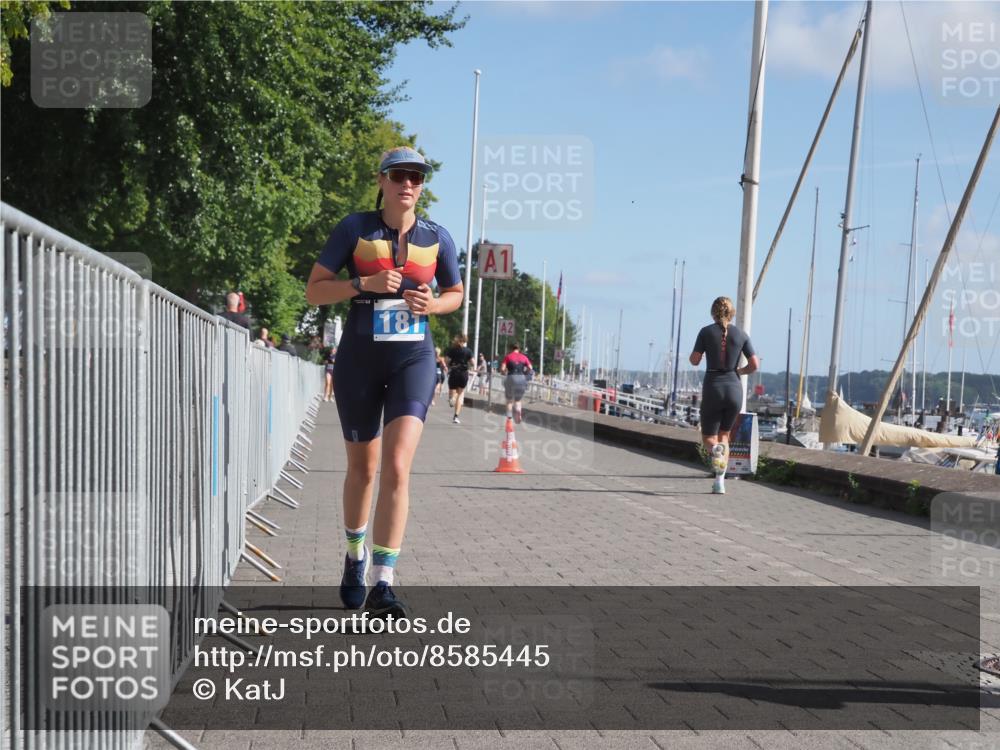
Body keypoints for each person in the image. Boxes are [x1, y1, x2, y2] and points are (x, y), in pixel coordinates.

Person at [305, 146, 463, 617]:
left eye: (416, 177)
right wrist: (362, 285)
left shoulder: (438, 237)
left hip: (413, 359)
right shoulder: (354, 228)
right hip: (359, 359)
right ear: (382, 180)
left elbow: (455, 293)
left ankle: (384, 582)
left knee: (397, 466)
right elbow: (314, 290)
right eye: (399, 175)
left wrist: (433, 306)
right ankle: (354, 556)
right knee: (365, 469)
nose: (408, 184)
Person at [689, 296, 759, 495]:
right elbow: (754, 364)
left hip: (713, 386)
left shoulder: (705, 332)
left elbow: (694, 360)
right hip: (734, 388)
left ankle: (715, 454)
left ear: (713, 312)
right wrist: (739, 371)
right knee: (725, 436)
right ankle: (720, 481)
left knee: (710, 438)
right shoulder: (741, 334)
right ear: (732, 312)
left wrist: (701, 353)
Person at [500, 343, 533, 424]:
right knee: (518, 400)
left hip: (511, 377)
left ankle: (509, 418)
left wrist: (504, 372)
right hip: (522, 378)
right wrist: (525, 373)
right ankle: (518, 411)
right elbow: (530, 368)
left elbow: (502, 368)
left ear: (512, 348)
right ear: (519, 349)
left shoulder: (508, 356)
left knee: (509, 400)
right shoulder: (524, 357)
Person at [445, 333, 473, 424]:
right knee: (460, 394)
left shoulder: (452, 350)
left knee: (452, 392)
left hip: (454, 372)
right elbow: (472, 363)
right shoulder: (468, 351)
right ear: (465, 341)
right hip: (463, 373)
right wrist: (469, 364)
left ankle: (452, 398)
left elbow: (447, 360)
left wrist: (449, 365)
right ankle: (456, 416)